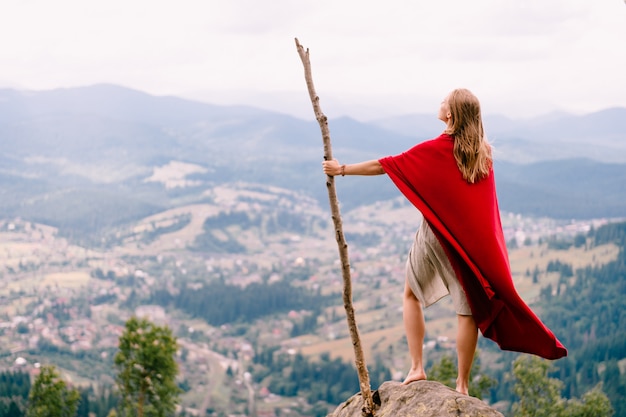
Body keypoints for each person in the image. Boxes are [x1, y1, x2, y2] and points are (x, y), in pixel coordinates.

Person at [322, 88, 567, 396]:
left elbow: (386, 165)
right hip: (466, 248)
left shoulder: (437, 149)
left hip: (434, 237)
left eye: (443, 102)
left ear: (450, 114)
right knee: (467, 313)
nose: (439, 104)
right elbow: (483, 211)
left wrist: (342, 169)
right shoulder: (484, 154)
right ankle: (462, 385)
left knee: (411, 295)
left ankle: (416, 367)